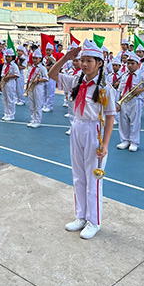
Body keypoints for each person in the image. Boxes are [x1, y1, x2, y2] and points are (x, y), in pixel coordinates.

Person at [49, 40, 116, 240]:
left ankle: (94, 221)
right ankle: (81, 216)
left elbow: (111, 116)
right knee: (78, 175)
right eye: (82, 60)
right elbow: (52, 75)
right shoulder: (76, 81)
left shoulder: (105, 88)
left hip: (94, 130)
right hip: (77, 127)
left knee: (93, 178)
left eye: (89, 61)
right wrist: (66, 58)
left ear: (99, 63)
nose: (84, 64)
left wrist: (105, 145)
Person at [116, 54, 144, 152]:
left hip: (135, 101)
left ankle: (134, 142)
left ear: (138, 65)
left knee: (135, 122)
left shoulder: (141, 75)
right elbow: (121, 90)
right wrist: (118, 102)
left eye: (132, 63)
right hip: (124, 101)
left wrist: (141, 90)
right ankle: (125, 140)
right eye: (128, 63)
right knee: (123, 121)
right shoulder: (124, 75)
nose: (130, 65)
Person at [26, 49, 48, 128]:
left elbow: (46, 78)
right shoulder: (31, 67)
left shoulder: (42, 68)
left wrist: (38, 80)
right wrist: (27, 88)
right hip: (31, 86)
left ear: (40, 59)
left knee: (38, 104)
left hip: (38, 86)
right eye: (33, 58)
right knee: (31, 104)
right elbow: (28, 78)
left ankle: (37, 120)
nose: (34, 60)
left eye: (36, 58)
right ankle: (33, 119)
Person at [0, 48, 20, 121]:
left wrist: (9, 76)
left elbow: (17, 75)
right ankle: (6, 113)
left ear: (12, 57)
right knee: (4, 98)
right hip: (4, 82)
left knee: (10, 99)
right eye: (6, 56)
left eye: (9, 57)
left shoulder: (14, 65)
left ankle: (11, 114)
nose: (7, 58)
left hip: (10, 83)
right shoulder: (5, 65)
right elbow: (2, 74)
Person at [42, 44, 56, 113]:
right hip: (45, 76)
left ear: (52, 51)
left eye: (49, 50)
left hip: (51, 77)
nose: (48, 52)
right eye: (47, 50)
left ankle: (49, 106)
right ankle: (45, 105)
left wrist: (47, 68)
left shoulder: (53, 59)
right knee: (44, 91)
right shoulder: (44, 59)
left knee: (50, 91)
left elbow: (53, 67)